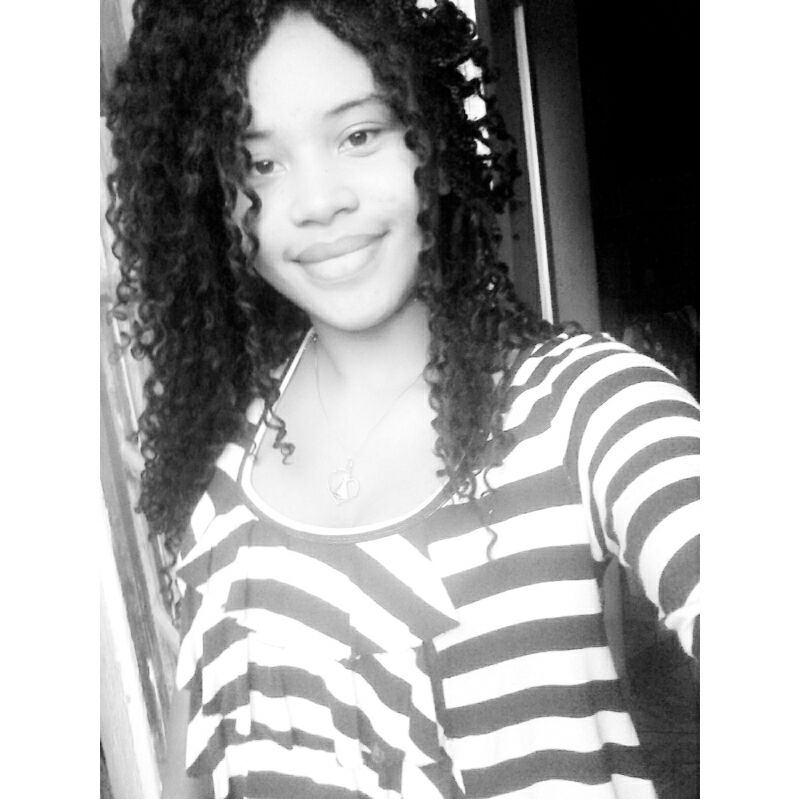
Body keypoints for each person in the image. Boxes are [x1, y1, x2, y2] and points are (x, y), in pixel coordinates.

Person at [105, 2, 699, 798]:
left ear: (432, 139)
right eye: (259, 163)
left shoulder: (586, 407)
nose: (318, 200)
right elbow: (198, 749)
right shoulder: (225, 457)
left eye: (358, 134)